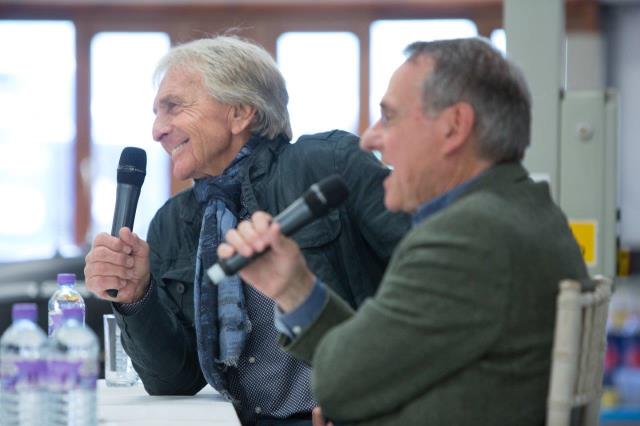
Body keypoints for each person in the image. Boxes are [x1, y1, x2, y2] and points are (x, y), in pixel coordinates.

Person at [217, 38, 589, 425]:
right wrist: (295, 289)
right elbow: (378, 369)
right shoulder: (527, 209)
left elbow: (344, 384)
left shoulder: (467, 236)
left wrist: (347, 396)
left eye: (390, 118)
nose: (369, 139)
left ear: (454, 126)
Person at [84, 35, 411, 425]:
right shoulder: (173, 220)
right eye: (156, 113)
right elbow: (175, 379)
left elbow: (427, 281)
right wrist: (138, 297)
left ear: (240, 113)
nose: (157, 130)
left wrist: (369, 398)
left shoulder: (327, 164)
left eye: (173, 107)